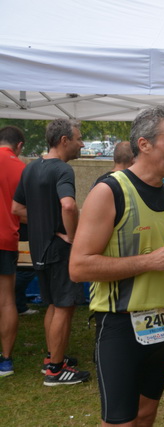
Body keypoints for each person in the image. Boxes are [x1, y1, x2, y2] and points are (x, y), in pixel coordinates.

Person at [69, 106, 164, 426]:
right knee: (120, 421)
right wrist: (151, 260)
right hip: (120, 325)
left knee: (146, 412)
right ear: (144, 144)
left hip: (163, 325)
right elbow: (79, 267)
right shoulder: (109, 191)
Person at [12, 118, 89, 385]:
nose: (82, 143)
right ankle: (56, 370)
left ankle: (52, 358)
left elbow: (17, 209)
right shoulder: (62, 170)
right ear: (64, 140)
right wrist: (73, 237)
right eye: (78, 138)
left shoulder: (30, 168)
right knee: (65, 307)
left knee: (54, 305)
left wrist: (44, 222)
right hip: (59, 249)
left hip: (39, 248)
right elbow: (68, 206)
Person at [0, 125, 26, 377]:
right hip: (5, 239)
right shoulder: (21, 168)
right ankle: (5, 359)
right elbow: (26, 210)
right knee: (6, 300)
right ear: (19, 146)